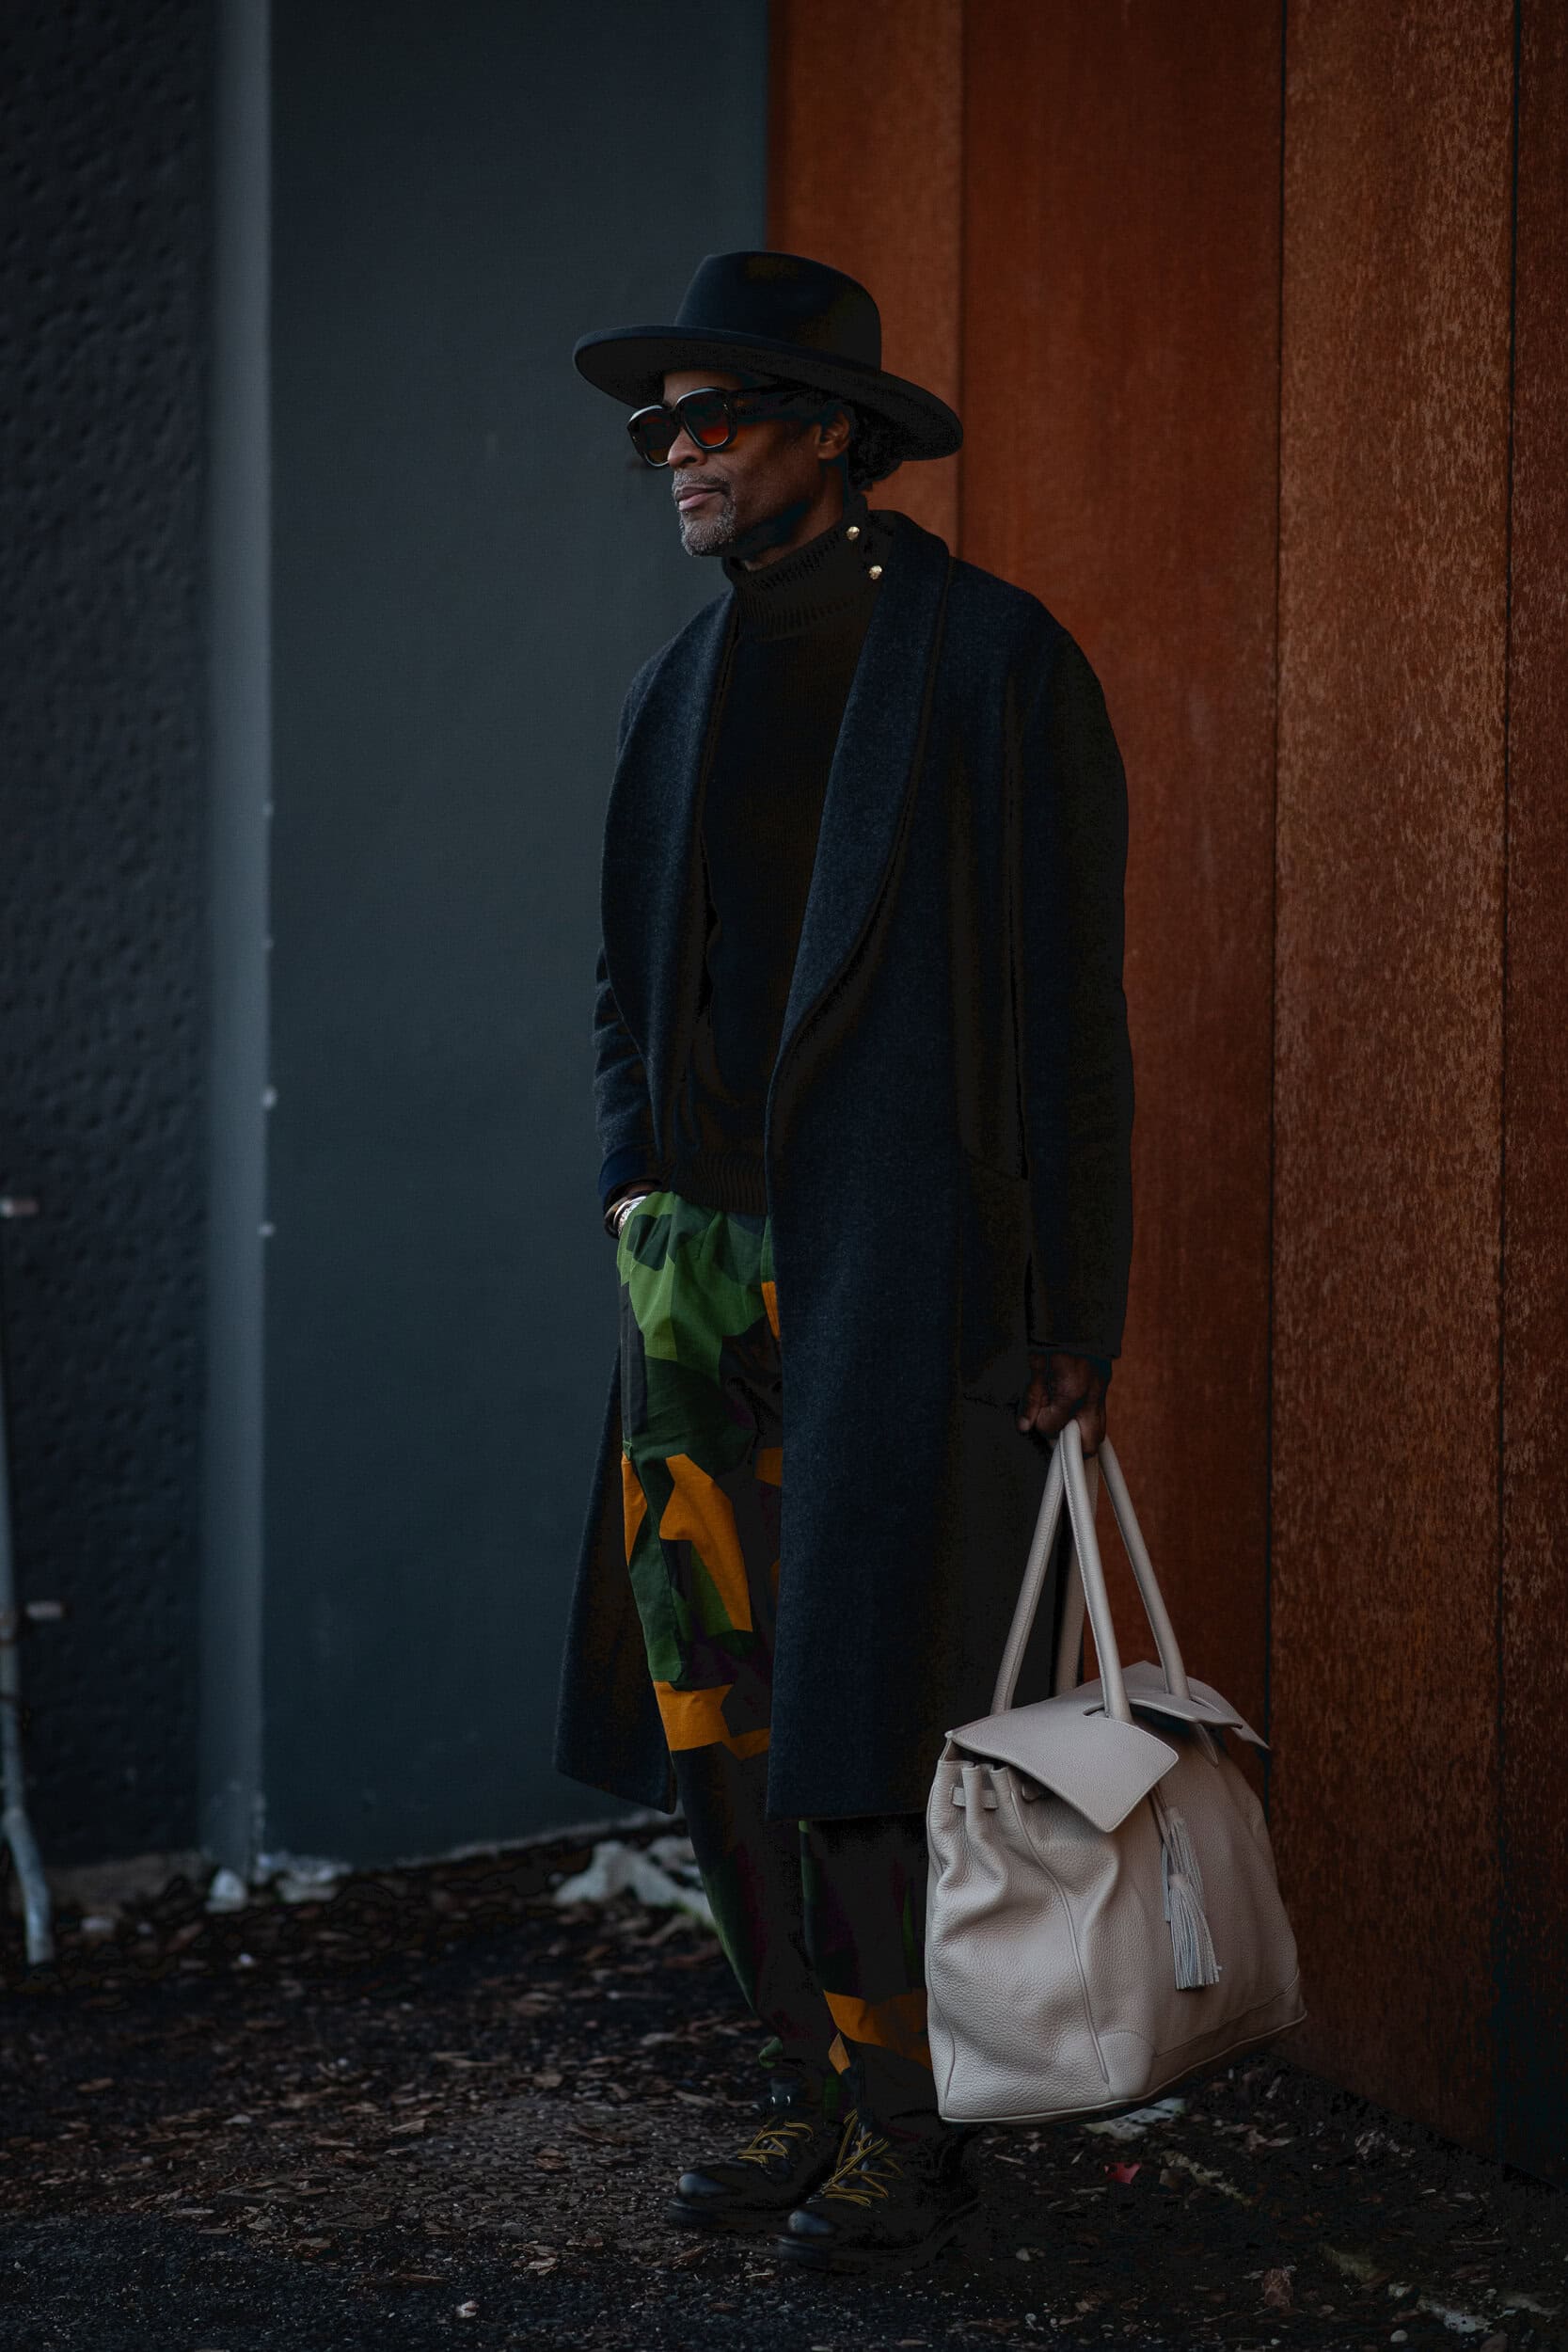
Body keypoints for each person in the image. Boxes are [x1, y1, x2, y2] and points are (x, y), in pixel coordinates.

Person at [554, 251, 1134, 2275]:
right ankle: (810, 2080)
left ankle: (915, 2127)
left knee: (871, 1704)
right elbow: (627, 978)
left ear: (832, 435)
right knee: (713, 1709)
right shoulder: (677, 688)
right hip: (694, 1275)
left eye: (713, 417)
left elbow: (1072, 1007)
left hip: (898, 1267)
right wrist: (633, 1186)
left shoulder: (989, 663)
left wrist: (1071, 1300)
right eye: (661, 428)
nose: (678, 453)